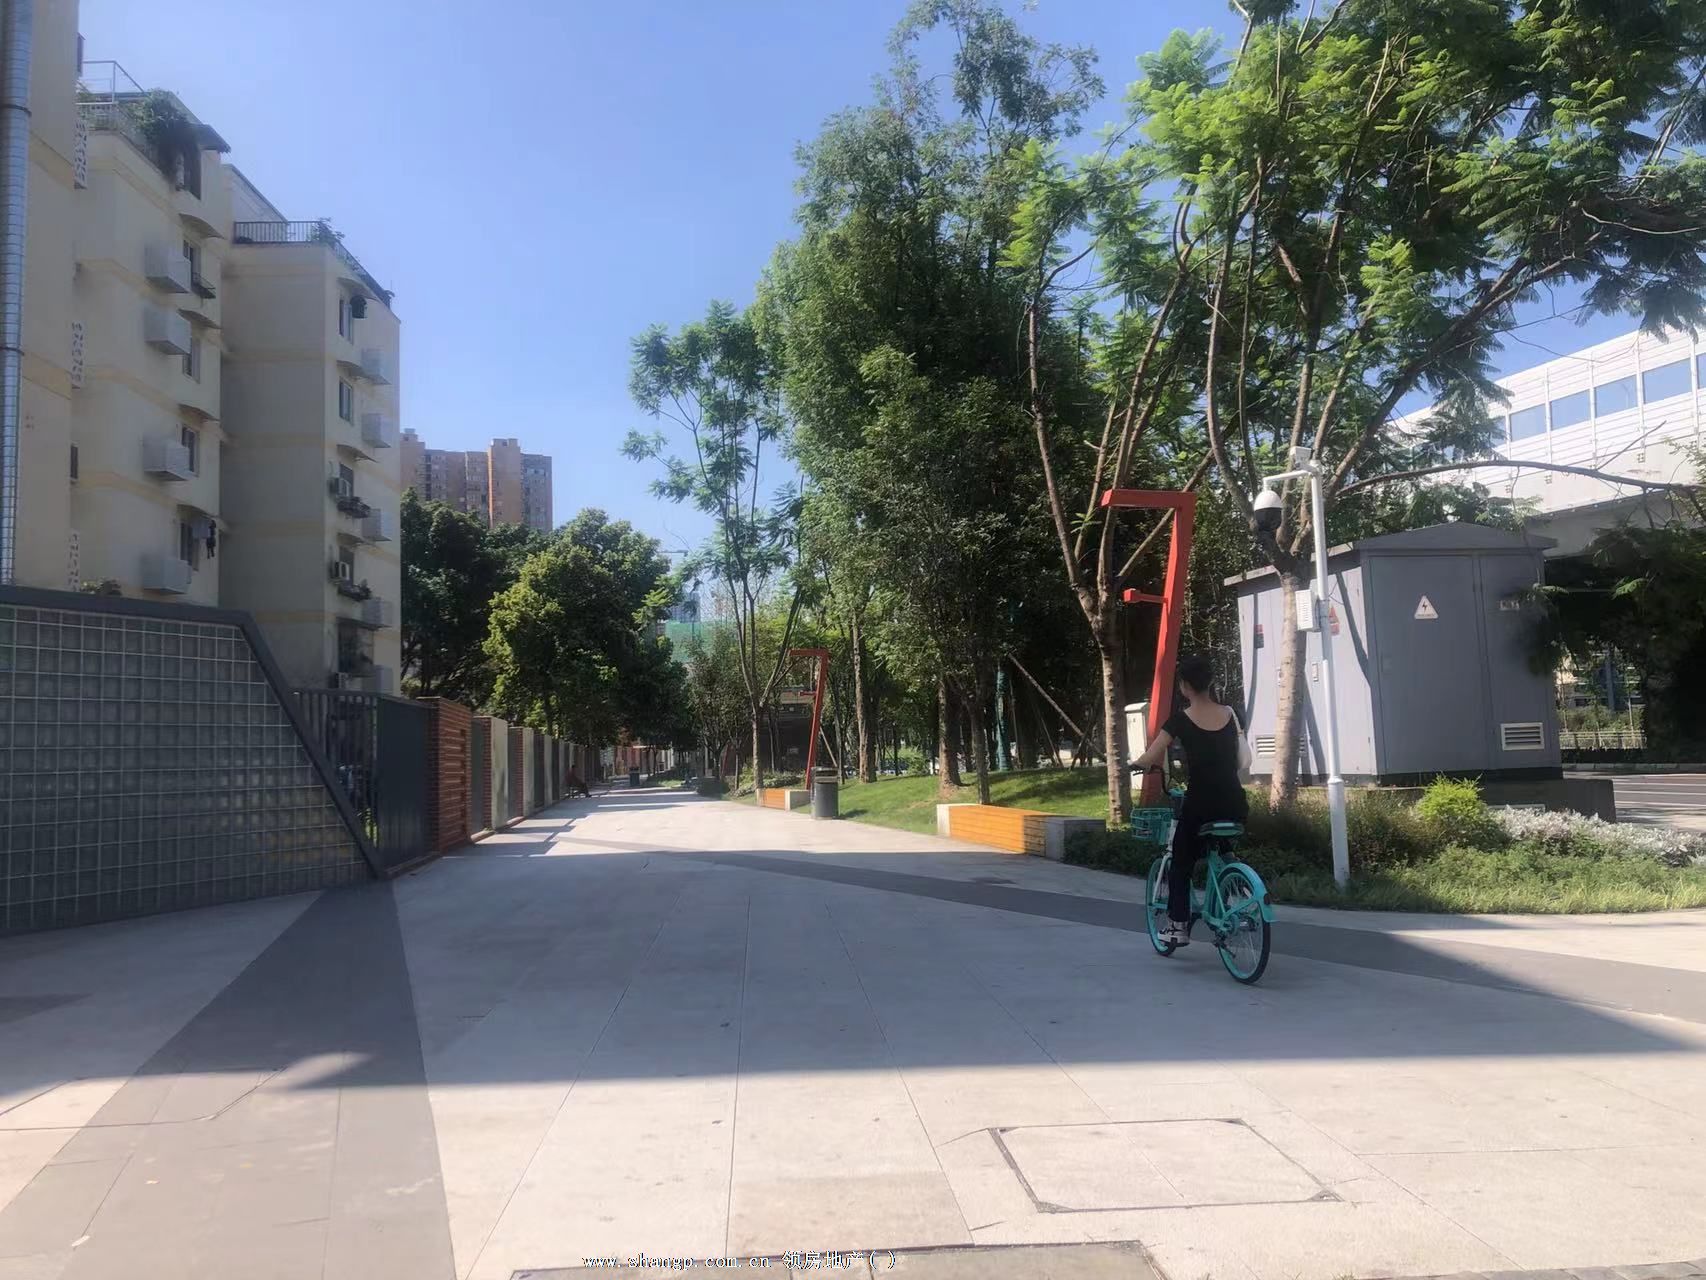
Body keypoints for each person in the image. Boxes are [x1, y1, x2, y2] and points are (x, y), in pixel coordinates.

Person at [1132, 655, 1252, 946]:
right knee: (1219, 843)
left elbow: (1152, 755)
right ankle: (1238, 886)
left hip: (1201, 805)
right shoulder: (1230, 713)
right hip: (1235, 802)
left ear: (1184, 686)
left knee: (1181, 861)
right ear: (1211, 682)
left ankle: (1177, 926)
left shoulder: (1180, 720)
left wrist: (1136, 764)